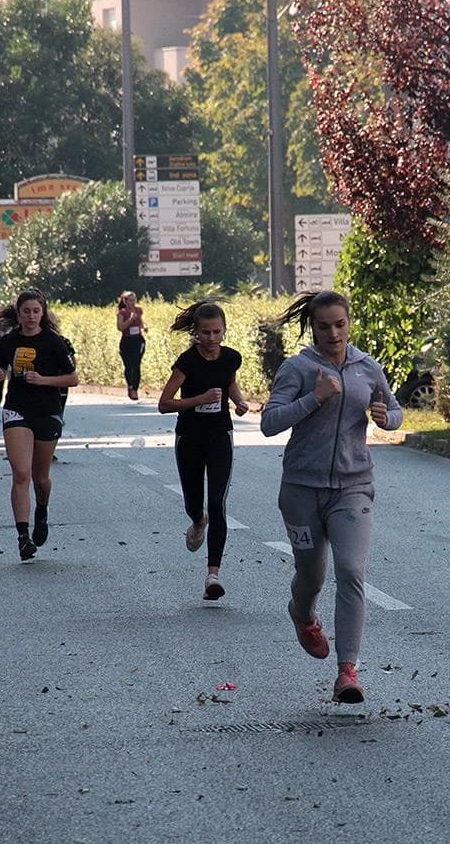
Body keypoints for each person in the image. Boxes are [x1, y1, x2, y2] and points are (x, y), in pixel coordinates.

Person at [261, 290, 402, 704]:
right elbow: (270, 423)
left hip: (353, 485)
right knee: (312, 576)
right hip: (302, 490)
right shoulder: (298, 369)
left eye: (340, 324)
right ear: (314, 328)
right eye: (324, 327)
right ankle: (302, 615)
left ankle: (347, 671)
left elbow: (393, 410)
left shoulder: (367, 367)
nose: (333, 333)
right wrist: (315, 398)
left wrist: (386, 420)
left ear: (349, 322)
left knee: (351, 570)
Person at [157, 301, 250, 602]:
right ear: (195, 333)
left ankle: (213, 575)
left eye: (217, 332)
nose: (211, 338)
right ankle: (197, 522)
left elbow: (230, 384)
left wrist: (239, 401)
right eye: (205, 333)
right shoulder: (186, 362)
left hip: (220, 435)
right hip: (190, 437)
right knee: (195, 504)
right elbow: (164, 403)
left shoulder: (231, 358)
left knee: (218, 504)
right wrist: (199, 399)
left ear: (224, 331)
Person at [0, 291, 79, 562]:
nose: (30, 316)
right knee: (21, 473)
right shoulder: (9, 341)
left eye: (35, 311)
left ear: (42, 313)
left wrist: (43, 381)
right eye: (26, 311)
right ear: (18, 314)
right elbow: (0, 367)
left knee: (41, 478)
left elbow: (73, 379)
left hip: (47, 412)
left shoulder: (54, 343)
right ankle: (22, 537)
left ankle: (42, 509)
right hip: (17, 409)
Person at [117, 291, 146, 401]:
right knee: (128, 366)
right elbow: (120, 327)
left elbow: (140, 322)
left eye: (134, 300)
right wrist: (130, 320)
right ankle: (130, 386)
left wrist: (144, 327)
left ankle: (135, 389)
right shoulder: (122, 312)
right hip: (126, 341)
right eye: (130, 300)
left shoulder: (139, 310)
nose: (133, 302)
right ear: (125, 301)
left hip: (138, 340)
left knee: (136, 363)